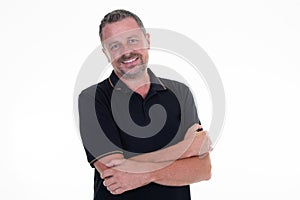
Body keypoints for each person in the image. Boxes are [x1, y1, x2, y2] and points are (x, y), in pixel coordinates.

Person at [78, 9, 212, 200]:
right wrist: (186, 149)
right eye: (115, 45)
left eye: (133, 40)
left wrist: (147, 173)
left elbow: (203, 169)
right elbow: (113, 171)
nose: (126, 52)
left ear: (147, 40)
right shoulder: (92, 98)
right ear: (106, 53)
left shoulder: (180, 92)